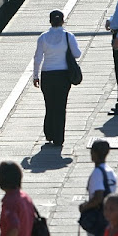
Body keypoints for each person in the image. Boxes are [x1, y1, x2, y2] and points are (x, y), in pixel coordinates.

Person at [32, 9, 81, 147]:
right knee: (60, 106)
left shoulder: (43, 37)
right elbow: (77, 54)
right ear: (63, 21)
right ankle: (59, 138)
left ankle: (49, 133)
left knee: (49, 105)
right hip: (63, 76)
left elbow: (37, 59)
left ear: (50, 21)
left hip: (47, 75)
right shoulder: (68, 36)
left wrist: (35, 76)